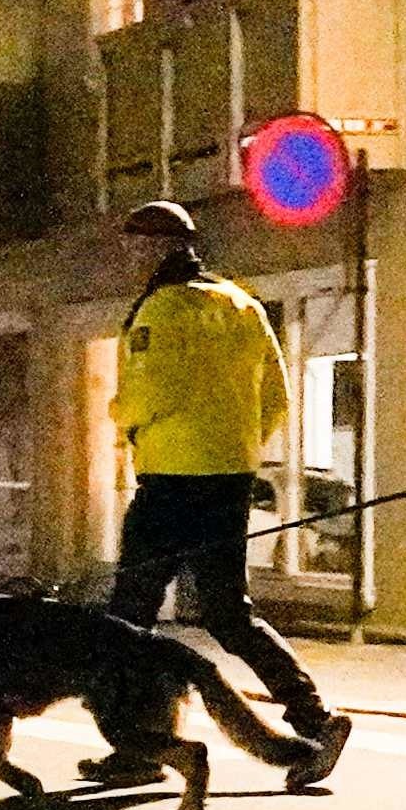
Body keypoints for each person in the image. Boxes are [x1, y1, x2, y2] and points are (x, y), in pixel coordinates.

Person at [95, 198, 348, 780]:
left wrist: (123, 418)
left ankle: (140, 748)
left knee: (129, 618)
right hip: (228, 481)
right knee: (229, 613)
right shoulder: (242, 305)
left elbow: (148, 392)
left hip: (170, 481)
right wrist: (237, 448)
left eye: (135, 246)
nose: (129, 258)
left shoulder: (161, 309)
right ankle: (316, 718)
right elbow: (278, 399)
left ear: (160, 247)